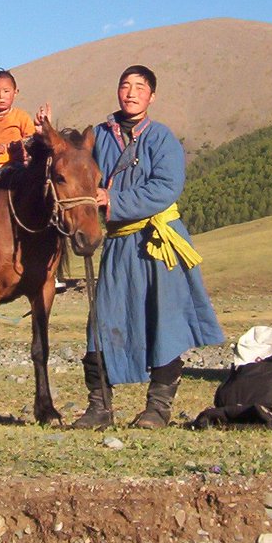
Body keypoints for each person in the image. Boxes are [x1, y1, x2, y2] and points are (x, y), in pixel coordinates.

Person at [73, 65, 225, 430]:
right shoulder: (99, 136)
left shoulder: (161, 137)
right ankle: (99, 407)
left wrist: (113, 199)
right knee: (102, 323)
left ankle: (158, 408)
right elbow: (78, 169)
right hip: (119, 241)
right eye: (125, 85)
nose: (131, 92)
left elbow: (166, 187)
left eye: (140, 87)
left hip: (159, 242)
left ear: (151, 96)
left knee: (164, 322)